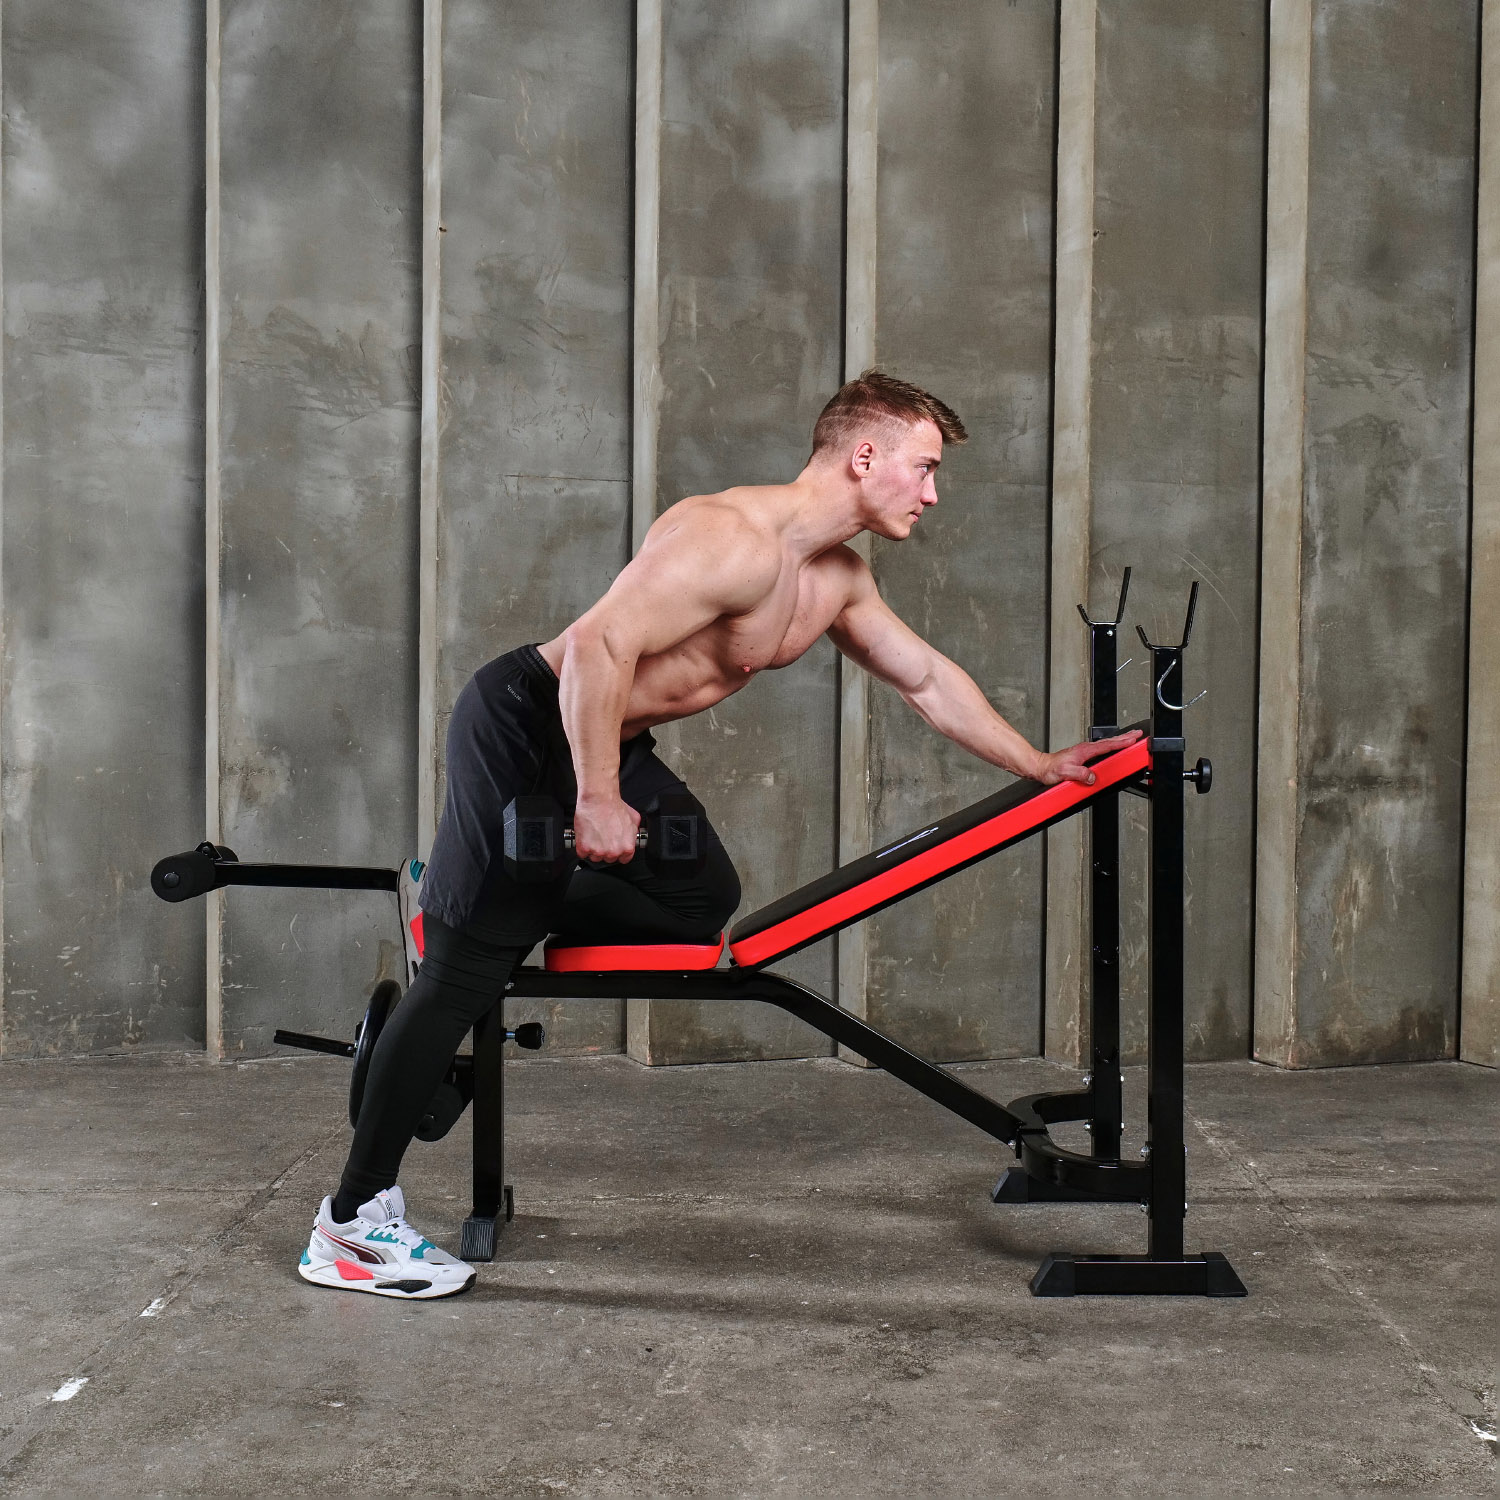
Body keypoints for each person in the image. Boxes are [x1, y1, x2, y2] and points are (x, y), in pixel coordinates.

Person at [297, 370, 1142, 1298]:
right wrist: (597, 795)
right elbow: (597, 648)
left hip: (607, 737)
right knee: (466, 972)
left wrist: (1039, 764)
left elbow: (925, 679)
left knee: (700, 897)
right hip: (533, 723)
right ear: (866, 456)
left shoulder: (838, 578)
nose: (932, 494)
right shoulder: (729, 537)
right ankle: (350, 1224)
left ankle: (485, 904)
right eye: (925, 467)